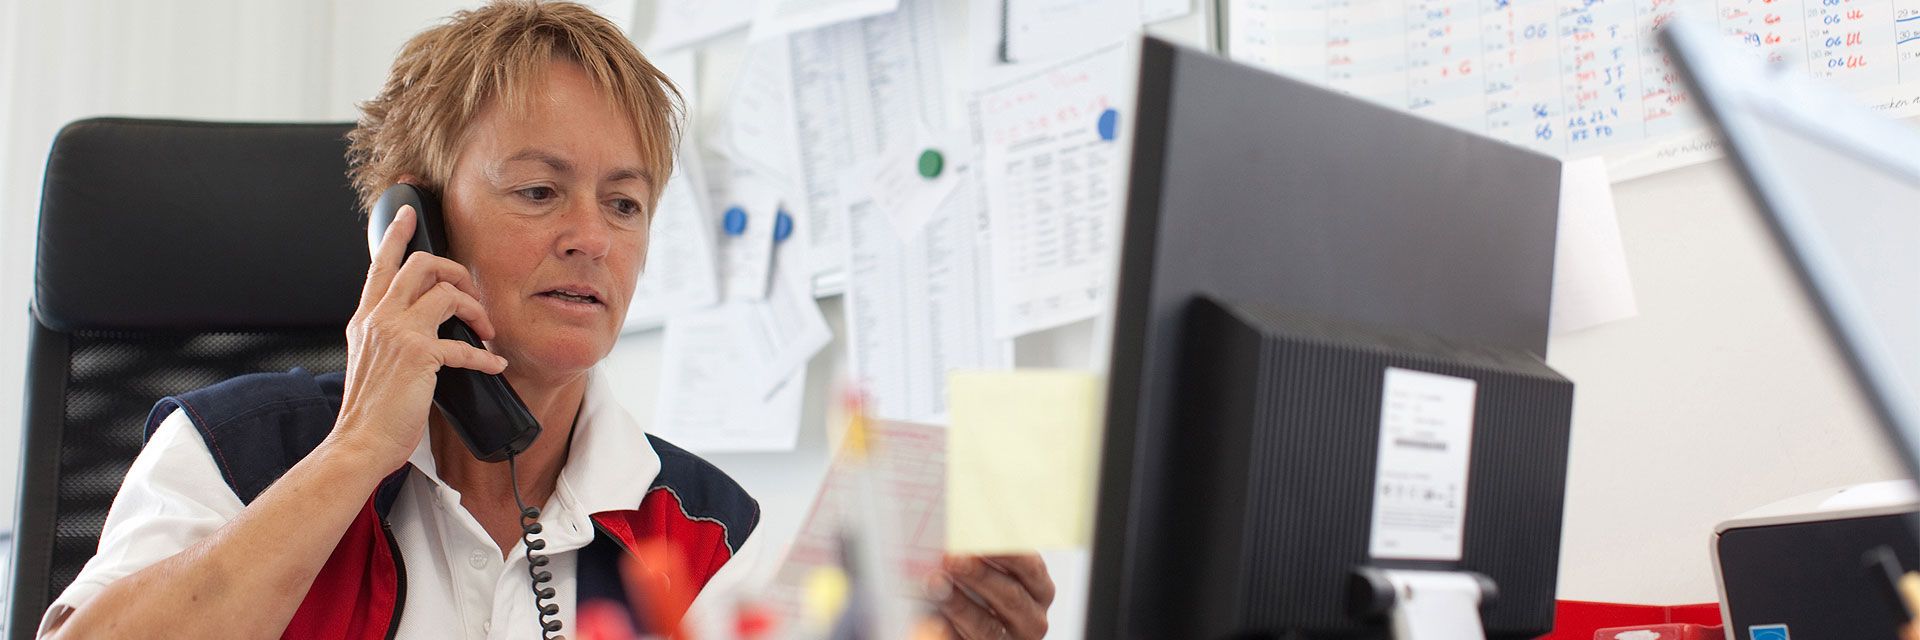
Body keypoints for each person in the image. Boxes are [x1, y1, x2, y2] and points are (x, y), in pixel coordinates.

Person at [36, 2, 1053, 638]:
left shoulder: (702, 531)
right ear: (410, 224)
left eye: (624, 202)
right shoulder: (234, 451)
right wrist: (356, 453)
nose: (592, 238)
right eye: (537, 192)